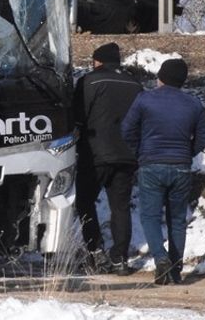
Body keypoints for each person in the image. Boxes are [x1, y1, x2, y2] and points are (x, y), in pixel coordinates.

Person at [121, 58, 205, 286]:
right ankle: (176, 270)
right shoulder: (194, 104)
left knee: (150, 216)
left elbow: (126, 130)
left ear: (161, 77)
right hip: (180, 166)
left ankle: (161, 259)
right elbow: (204, 139)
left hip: (151, 164)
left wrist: (139, 152)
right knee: (177, 220)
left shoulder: (145, 99)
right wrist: (187, 153)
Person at [73, 42, 143, 275]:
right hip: (127, 155)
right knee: (120, 207)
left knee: (84, 201)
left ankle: (96, 252)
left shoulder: (89, 81)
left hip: (95, 154)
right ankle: (120, 259)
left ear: (98, 61)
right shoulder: (135, 84)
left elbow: (77, 118)